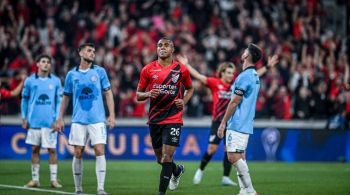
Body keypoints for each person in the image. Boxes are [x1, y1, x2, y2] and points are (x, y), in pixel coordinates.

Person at [177, 55, 274, 186]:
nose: (231, 75)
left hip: (231, 122)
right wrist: (187, 65)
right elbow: (199, 76)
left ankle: (225, 177)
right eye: (228, 73)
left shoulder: (236, 84)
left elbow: (253, 75)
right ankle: (200, 170)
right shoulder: (214, 83)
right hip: (217, 121)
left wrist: (267, 67)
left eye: (232, 73)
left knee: (229, 150)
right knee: (211, 149)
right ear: (222, 72)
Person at [55, 43, 115, 195]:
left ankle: (101, 188)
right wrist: (60, 118)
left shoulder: (100, 72)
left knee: (99, 150)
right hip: (78, 120)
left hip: (97, 119)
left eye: (94, 51)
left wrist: (112, 115)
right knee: (78, 152)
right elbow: (65, 97)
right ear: (80, 53)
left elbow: (108, 93)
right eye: (89, 50)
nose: (92, 53)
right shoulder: (71, 74)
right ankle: (78, 189)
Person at [218, 43, 278, 195]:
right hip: (245, 123)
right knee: (240, 157)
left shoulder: (244, 77)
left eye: (245, 50)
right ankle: (244, 190)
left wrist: (223, 122)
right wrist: (268, 66)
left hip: (237, 123)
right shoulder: (254, 75)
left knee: (232, 157)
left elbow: (234, 102)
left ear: (246, 56)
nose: (243, 52)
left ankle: (250, 191)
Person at [136, 37, 194, 195]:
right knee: (160, 159)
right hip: (155, 119)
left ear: (172, 49)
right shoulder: (148, 69)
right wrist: (148, 93)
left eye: (166, 45)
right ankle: (177, 171)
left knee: (167, 157)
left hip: (174, 118)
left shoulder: (181, 70)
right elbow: (138, 95)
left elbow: (191, 88)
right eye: (159, 45)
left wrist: (184, 101)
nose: (162, 47)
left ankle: (161, 193)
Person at [21, 54, 62, 188]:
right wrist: (24, 117)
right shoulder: (30, 81)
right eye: (43, 61)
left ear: (50, 65)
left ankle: (53, 180)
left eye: (48, 62)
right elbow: (25, 99)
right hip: (34, 121)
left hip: (50, 122)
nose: (46, 64)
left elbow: (59, 101)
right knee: (35, 150)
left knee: (52, 150)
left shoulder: (56, 81)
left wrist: (58, 119)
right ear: (37, 64)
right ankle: (35, 180)